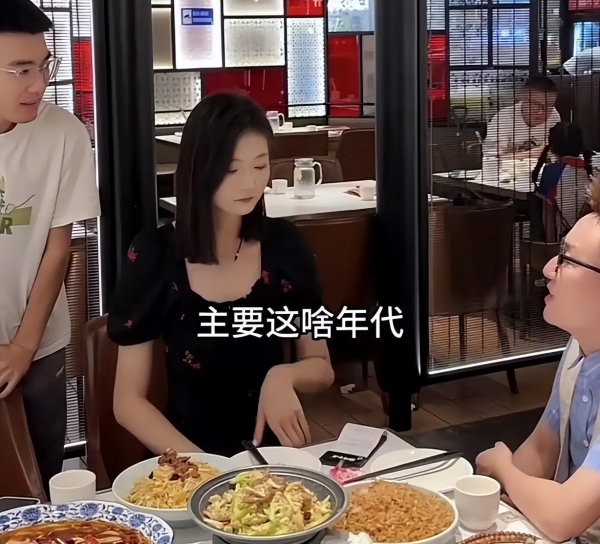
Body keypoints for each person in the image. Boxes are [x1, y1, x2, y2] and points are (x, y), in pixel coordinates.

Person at [107, 93, 334, 457]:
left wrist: (284, 375)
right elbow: (128, 403)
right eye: (231, 169)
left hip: (270, 461)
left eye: (260, 166)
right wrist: (207, 470)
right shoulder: (154, 254)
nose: (249, 183)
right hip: (188, 459)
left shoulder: (285, 244)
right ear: (199, 169)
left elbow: (321, 367)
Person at [0, 0, 101, 488]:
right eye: (21, 70)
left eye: (44, 66)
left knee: (39, 475)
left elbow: (57, 248)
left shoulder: (63, 133)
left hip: (41, 341)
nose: (38, 84)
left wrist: (24, 345)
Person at [476, 178, 600, 543]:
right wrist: (497, 491)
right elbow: (543, 447)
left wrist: (503, 468)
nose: (547, 269)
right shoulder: (580, 346)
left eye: (567, 260)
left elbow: (563, 518)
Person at [532, 121, 594, 231]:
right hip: (590, 227)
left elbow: (543, 200)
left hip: (562, 231)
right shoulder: (592, 167)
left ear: (552, 147)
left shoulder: (551, 171)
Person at [483, 76, 561, 161]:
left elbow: (552, 152)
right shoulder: (503, 119)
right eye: (536, 105)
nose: (541, 112)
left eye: (549, 106)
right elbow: (492, 157)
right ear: (523, 99)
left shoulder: (554, 116)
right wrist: (537, 153)